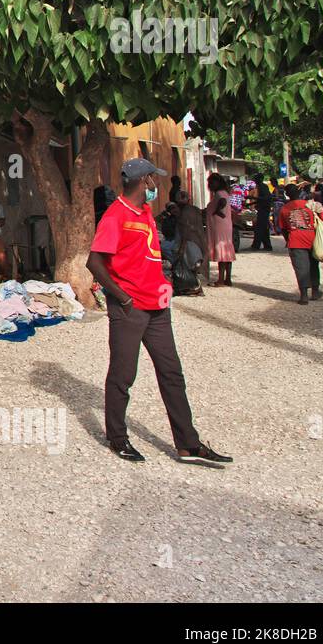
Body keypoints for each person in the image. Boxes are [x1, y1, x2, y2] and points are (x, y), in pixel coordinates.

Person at [87, 158, 232, 465]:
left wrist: (163, 283)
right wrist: (122, 298)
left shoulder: (145, 212)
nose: (156, 185)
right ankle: (117, 437)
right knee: (123, 375)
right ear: (144, 181)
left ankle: (188, 444)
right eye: (153, 179)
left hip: (157, 306)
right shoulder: (116, 216)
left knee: (171, 373)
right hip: (130, 308)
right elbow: (95, 262)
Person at [278, 183, 323, 303]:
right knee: (314, 265)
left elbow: (283, 228)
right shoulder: (311, 205)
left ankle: (304, 295)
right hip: (312, 237)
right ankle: (315, 291)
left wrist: (288, 240)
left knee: (301, 267)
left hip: (295, 239)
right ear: (299, 192)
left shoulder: (284, 208)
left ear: (287, 194)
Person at [205, 173, 235, 286]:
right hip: (226, 225)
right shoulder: (225, 192)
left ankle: (221, 280)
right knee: (227, 252)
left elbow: (222, 202)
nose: (210, 185)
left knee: (221, 253)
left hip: (219, 226)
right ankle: (228, 279)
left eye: (211, 182)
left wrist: (217, 211)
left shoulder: (219, 194)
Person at [249, 176, 274, 251]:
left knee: (259, 228)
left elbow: (266, 198)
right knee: (263, 228)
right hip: (261, 209)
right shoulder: (260, 187)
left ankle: (256, 245)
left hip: (264, 209)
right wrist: (249, 204)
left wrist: (253, 198)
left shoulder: (263, 187)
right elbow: (261, 200)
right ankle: (267, 245)